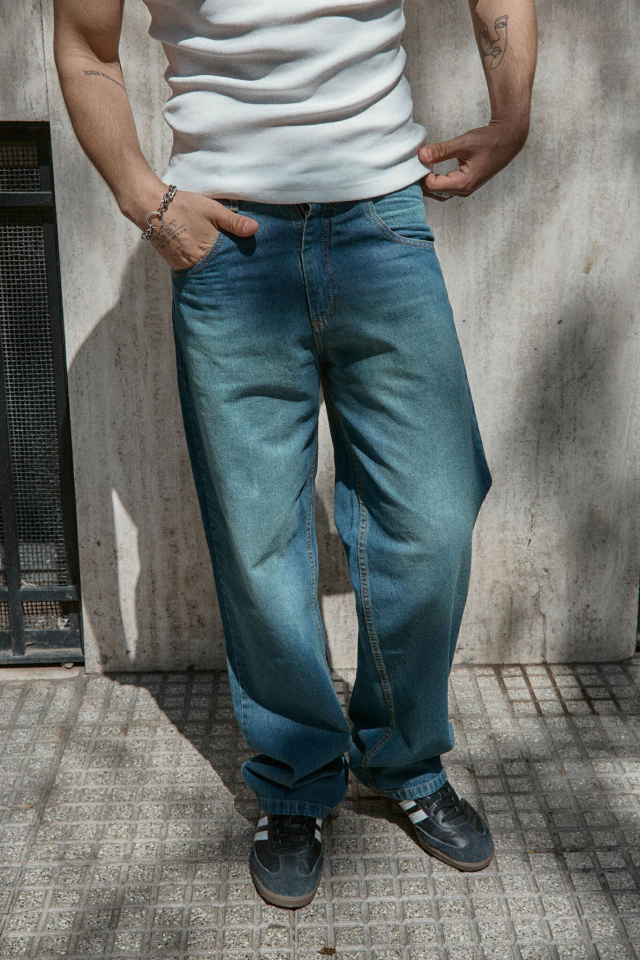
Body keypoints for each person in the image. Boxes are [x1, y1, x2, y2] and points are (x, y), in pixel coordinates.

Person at [54, 0, 537, 909]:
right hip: (226, 242)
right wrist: (145, 200)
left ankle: (402, 760)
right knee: (258, 538)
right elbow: (84, 40)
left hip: (383, 223)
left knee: (433, 517)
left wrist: (512, 115)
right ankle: (295, 781)